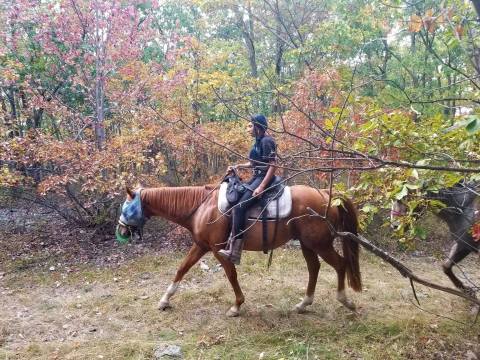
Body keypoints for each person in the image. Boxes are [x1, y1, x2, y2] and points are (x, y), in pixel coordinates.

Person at [218, 114, 277, 265]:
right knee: (236, 200)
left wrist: (262, 186)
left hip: (264, 179)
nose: (248, 129)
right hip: (255, 177)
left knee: (239, 207)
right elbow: (253, 164)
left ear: (258, 127)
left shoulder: (267, 141)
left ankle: (235, 252)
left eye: (250, 126)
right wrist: (238, 166)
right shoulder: (257, 142)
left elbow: (273, 165)